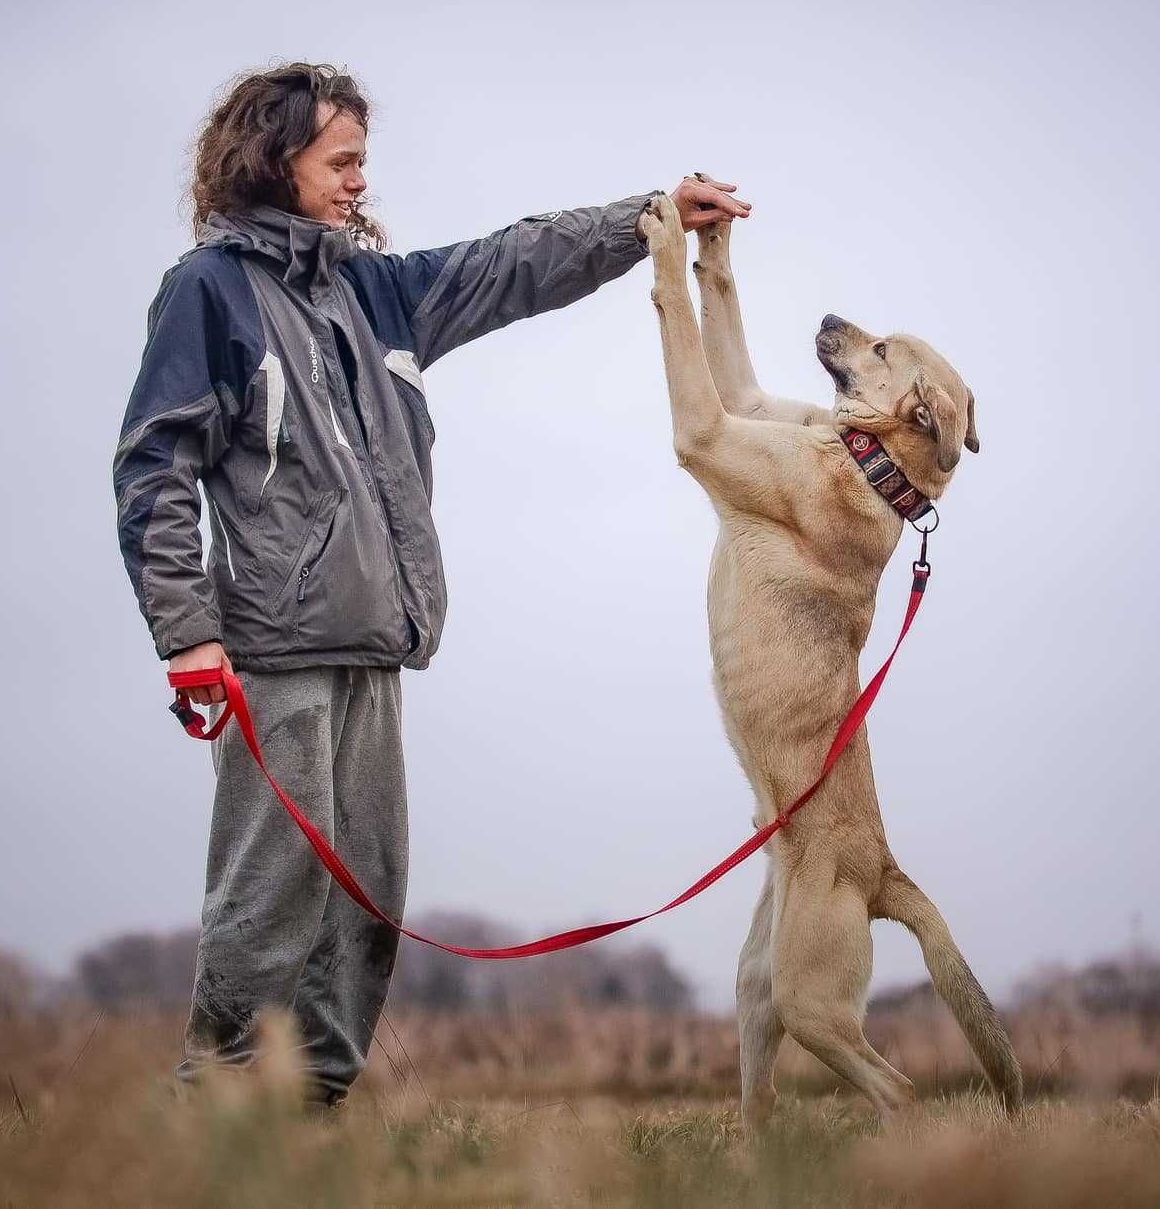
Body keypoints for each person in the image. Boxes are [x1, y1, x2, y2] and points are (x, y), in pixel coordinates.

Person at [111, 62, 749, 1103]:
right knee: (269, 900)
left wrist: (648, 221)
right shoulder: (206, 292)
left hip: (375, 650)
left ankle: (308, 1119)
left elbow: (513, 261)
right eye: (341, 160)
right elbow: (153, 466)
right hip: (270, 659)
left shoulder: (376, 292)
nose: (360, 181)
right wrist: (186, 634)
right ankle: (210, 1116)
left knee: (364, 905)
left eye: (363, 161)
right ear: (273, 160)